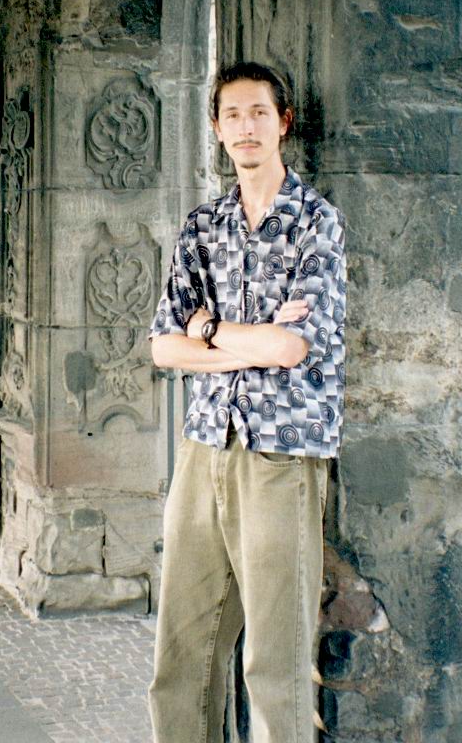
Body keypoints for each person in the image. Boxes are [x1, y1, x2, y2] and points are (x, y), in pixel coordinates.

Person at [146, 60, 347, 743]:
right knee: (182, 650)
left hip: (282, 456)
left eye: (259, 112)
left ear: (283, 121)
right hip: (206, 444)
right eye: (232, 114)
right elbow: (161, 347)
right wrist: (246, 341)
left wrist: (207, 329)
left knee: (275, 658)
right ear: (217, 129)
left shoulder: (316, 222)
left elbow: (296, 348)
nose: (246, 126)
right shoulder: (203, 226)